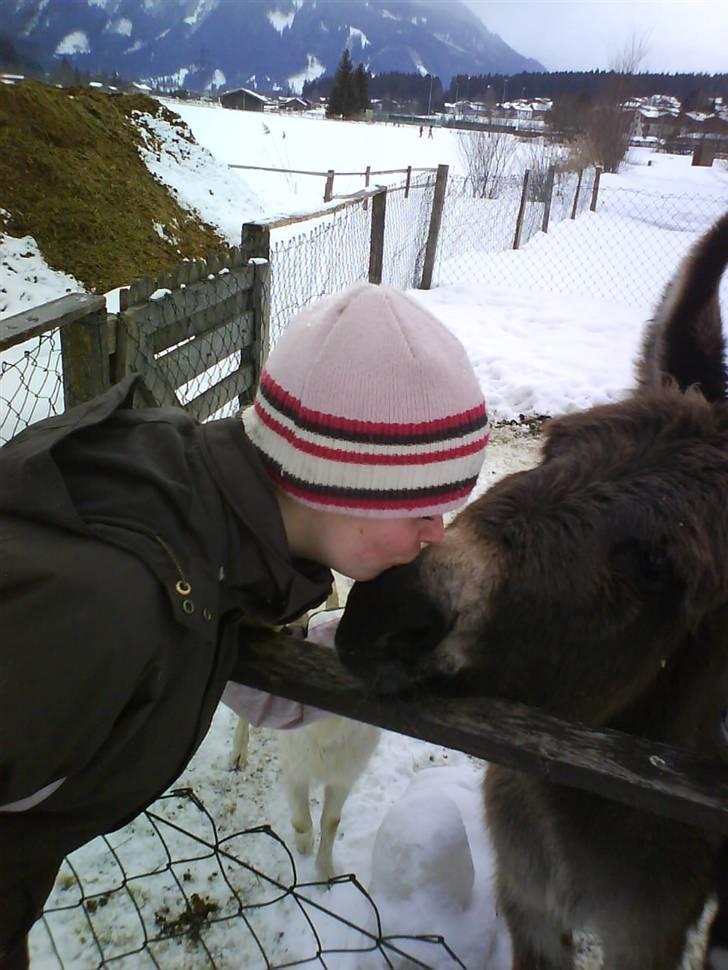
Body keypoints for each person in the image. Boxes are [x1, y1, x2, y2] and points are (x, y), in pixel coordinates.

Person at [0, 281, 489, 969]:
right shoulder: (113, 606)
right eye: (421, 508)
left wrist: (374, 655)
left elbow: (239, 674)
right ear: (340, 482)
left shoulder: (216, 533)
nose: (438, 536)